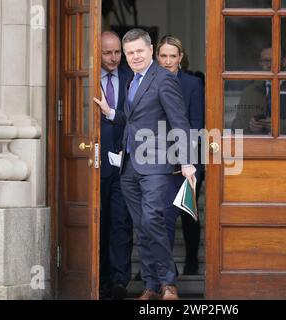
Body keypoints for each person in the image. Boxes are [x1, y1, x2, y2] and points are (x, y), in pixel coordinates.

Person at [95, 28, 196, 301]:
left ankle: (168, 283)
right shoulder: (132, 81)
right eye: (130, 53)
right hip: (129, 167)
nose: (134, 56)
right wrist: (111, 112)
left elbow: (180, 122)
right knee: (142, 227)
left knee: (153, 221)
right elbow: (135, 119)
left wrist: (187, 162)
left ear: (151, 50)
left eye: (139, 51)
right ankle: (151, 286)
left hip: (156, 164)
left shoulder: (163, 79)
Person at [156, 35, 205, 275]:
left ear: (181, 58)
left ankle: (192, 261)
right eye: (163, 56)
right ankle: (160, 266)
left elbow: (195, 125)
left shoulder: (193, 84)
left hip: (188, 160)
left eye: (172, 56)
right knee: (158, 215)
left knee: (188, 213)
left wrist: (184, 160)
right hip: (154, 159)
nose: (167, 61)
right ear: (157, 57)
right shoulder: (148, 82)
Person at [96, 31, 133, 300]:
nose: (113, 58)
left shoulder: (131, 78)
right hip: (94, 163)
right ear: (97, 52)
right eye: (107, 52)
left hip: (125, 164)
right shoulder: (86, 79)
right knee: (99, 222)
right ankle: (99, 279)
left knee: (121, 223)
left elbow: (136, 119)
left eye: (117, 52)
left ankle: (120, 281)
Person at [231, 47, 286, 135]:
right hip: (258, 146)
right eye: (266, 60)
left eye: (274, 60)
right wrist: (250, 126)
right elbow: (236, 126)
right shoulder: (249, 91)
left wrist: (280, 126)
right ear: (260, 63)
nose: (270, 65)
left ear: (284, 62)